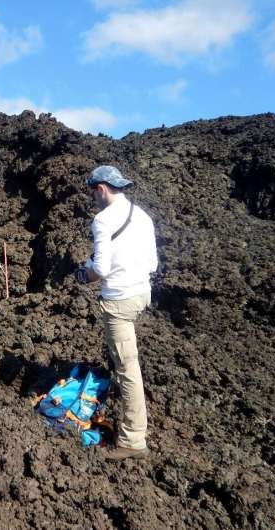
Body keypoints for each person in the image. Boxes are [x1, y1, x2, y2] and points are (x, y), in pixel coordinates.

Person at [75, 165, 158, 460]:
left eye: (93, 193)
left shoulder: (103, 219)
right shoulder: (142, 215)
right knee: (121, 357)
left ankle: (133, 440)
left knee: (127, 367)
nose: (93, 199)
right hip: (141, 294)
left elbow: (100, 268)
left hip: (119, 301)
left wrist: (84, 276)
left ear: (101, 189)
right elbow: (152, 262)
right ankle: (115, 397)